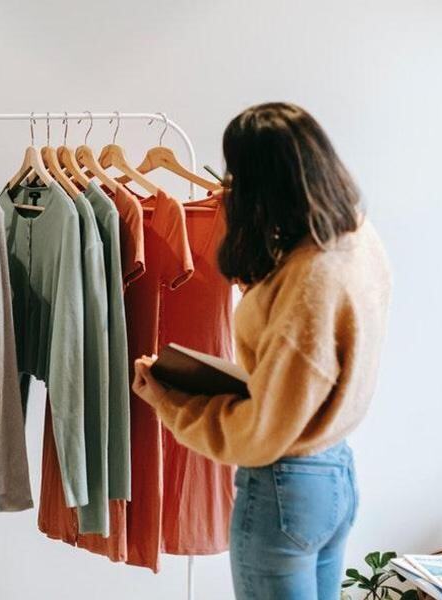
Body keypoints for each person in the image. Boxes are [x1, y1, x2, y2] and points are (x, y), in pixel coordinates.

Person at [132, 102, 392, 600]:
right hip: (334, 474)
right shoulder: (355, 240)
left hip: (284, 487)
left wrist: (169, 399)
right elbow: (305, 378)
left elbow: (261, 434)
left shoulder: (308, 281)